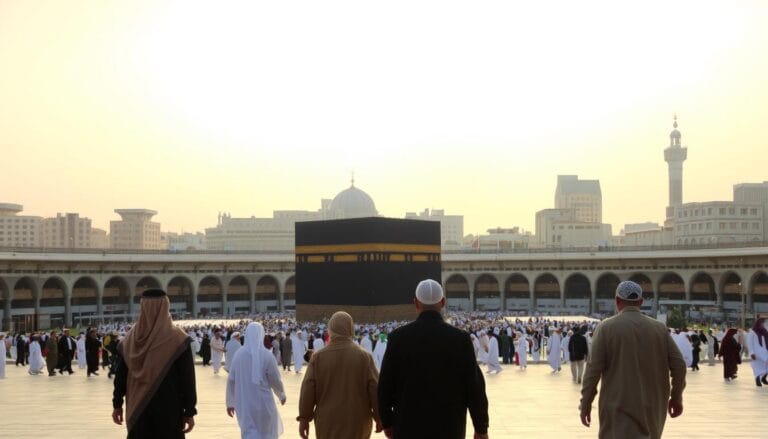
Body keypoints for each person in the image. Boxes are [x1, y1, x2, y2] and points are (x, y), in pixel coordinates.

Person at [378, 279, 489, 439]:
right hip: (449, 428)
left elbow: (385, 386)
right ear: (443, 302)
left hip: (408, 428)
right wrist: (481, 427)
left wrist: (387, 423)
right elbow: (474, 388)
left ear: (415, 303)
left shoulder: (398, 338)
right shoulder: (460, 339)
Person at [579, 281, 686, 439]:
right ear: (641, 302)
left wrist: (585, 403)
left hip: (617, 410)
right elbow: (679, 365)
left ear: (617, 301)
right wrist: (676, 398)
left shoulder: (606, 328)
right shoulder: (659, 329)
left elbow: (593, 370)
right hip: (652, 410)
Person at [112, 289, 197, 438]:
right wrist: (189, 411)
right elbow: (187, 380)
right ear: (165, 307)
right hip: (169, 410)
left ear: (143, 307)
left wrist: (117, 404)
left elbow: (121, 376)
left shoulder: (130, 339)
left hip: (138, 409)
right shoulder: (177, 339)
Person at [298, 311, 381, 439]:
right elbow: (375, 389)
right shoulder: (364, 357)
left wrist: (304, 418)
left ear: (330, 330)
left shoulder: (318, 358)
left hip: (327, 422)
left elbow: (308, 389)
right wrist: (380, 418)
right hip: (357, 421)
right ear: (351, 329)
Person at [226, 322, 286, 439]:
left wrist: (230, 403)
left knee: (249, 433)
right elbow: (275, 380)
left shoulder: (239, 355)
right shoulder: (267, 356)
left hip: (244, 404)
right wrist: (281, 395)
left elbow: (231, 380)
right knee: (267, 434)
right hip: (264, 404)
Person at [746, 318, 768, 387]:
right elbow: (750, 343)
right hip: (756, 353)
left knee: (766, 366)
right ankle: (757, 379)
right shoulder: (752, 332)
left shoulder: (765, 332)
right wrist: (752, 353)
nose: (764, 324)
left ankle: (764, 378)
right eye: (762, 323)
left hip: (765, 352)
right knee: (757, 367)